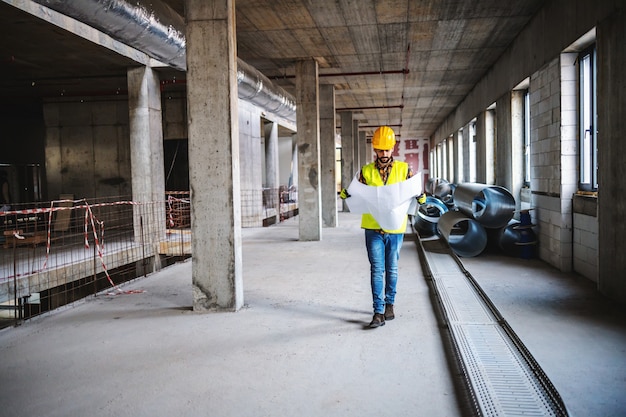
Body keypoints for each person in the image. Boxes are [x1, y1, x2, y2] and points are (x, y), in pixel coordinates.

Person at [341, 126, 414, 328]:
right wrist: (346, 194)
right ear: (375, 150)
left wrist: (422, 197)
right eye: (380, 150)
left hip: (395, 228)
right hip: (373, 228)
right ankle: (378, 311)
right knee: (377, 269)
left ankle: (390, 303)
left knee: (392, 269)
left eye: (387, 150)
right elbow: (355, 192)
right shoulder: (365, 172)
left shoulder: (404, 169)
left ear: (392, 149)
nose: (383, 154)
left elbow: (413, 192)